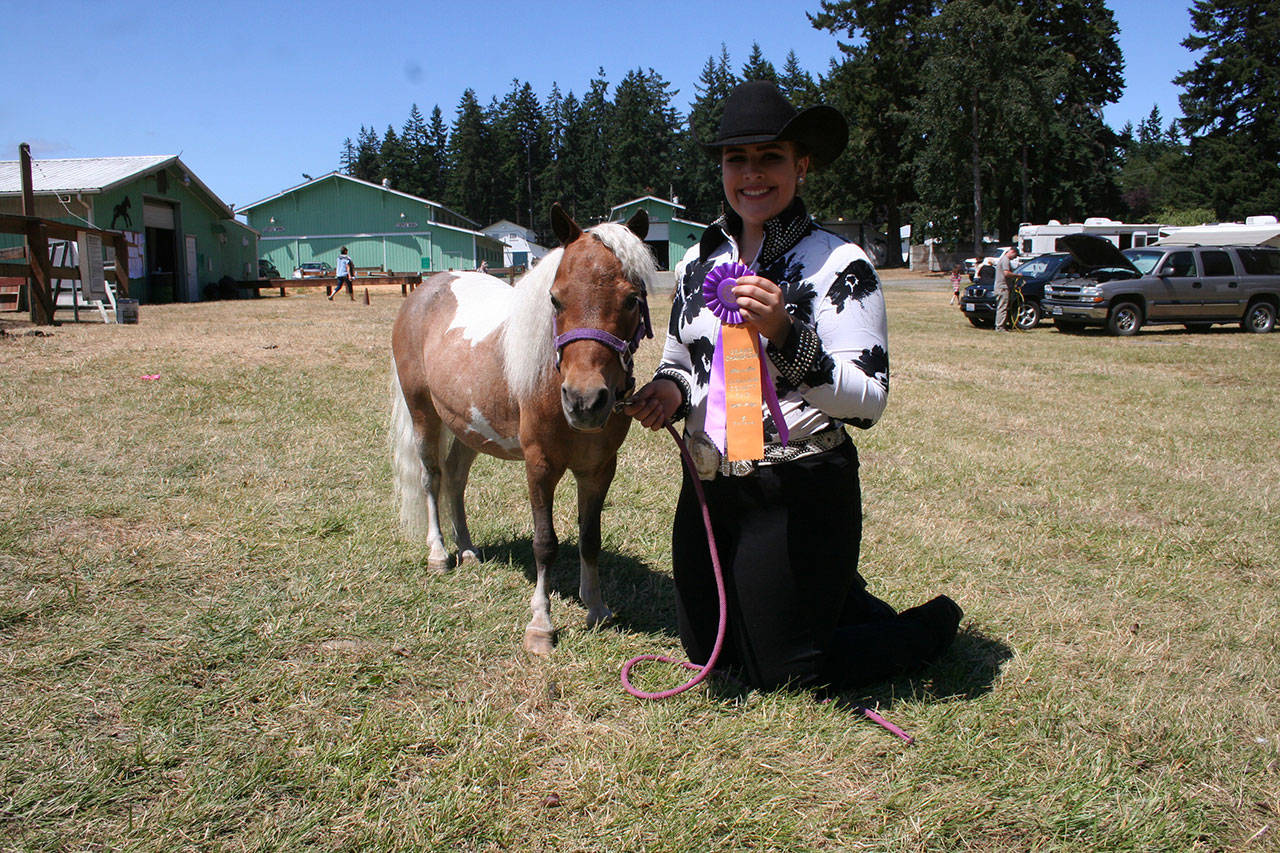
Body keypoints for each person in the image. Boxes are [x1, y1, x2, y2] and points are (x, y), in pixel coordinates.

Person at [624, 81, 961, 693]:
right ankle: (832, 597)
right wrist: (667, 393)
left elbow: (868, 401)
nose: (752, 174)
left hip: (800, 488)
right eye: (736, 160)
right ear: (721, 169)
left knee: (787, 674)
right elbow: (681, 359)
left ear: (801, 165)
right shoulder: (697, 264)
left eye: (770, 157)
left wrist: (783, 330)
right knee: (711, 657)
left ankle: (932, 624)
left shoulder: (840, 265)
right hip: (709, 486)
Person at [992, 246, 1019, 330]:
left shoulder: (1003, 259)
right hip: (1002, 288)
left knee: (1002, 307)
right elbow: (1006, 273)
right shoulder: (1005, 260)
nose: (1014, 258)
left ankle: (1001, 325)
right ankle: (1000, 327)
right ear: (1012, 252)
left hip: (1000, 287)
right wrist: (1018, 276)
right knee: (1002, 307)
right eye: (1015, 256)